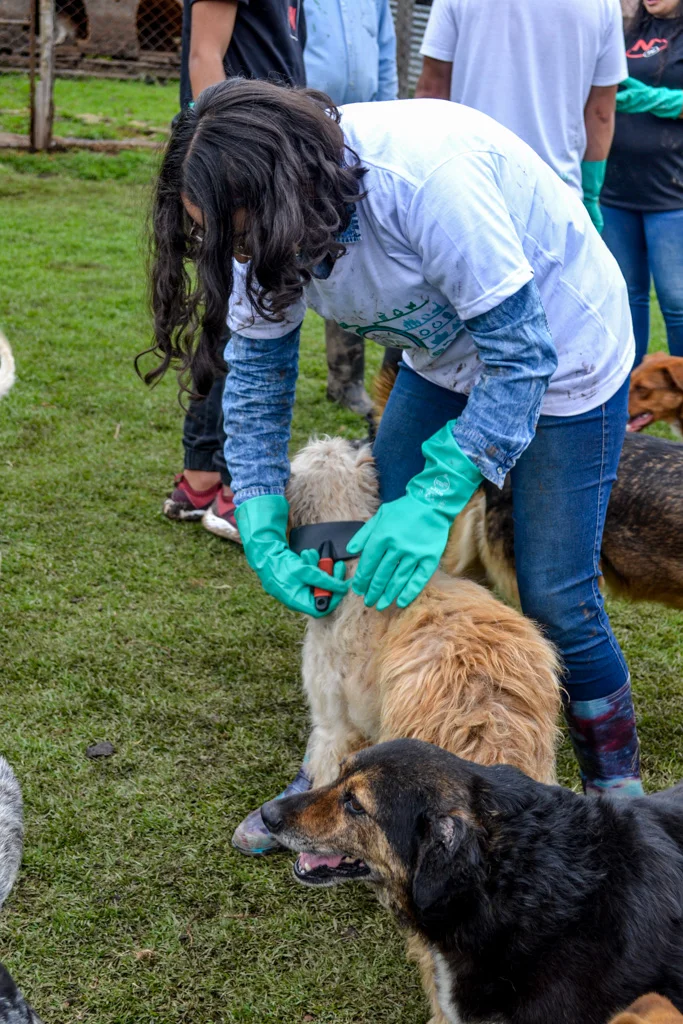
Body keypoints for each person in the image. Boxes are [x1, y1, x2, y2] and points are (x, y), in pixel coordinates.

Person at [148, 81, 642, 855]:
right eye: (215, 238)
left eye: (236, 233)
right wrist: (260, 515)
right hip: (442, 357)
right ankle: (343, 773)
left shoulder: (428, 186)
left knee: (554, 590)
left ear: (284, 192)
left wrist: (438, 494)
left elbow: (520, 359)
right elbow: (258, 380)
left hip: (564, 351)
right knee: (373, 570)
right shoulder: (260, 227)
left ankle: (616, 805)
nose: (232, 255)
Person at [163, 0, 306, 541]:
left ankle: (201, 476)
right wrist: (230, 175)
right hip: (243, 169)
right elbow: (205, 55)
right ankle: (230, 484)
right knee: (244, 314)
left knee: (231, 312)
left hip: (269, 158)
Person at [415, 0, 627, 232]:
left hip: (467, 188)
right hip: (556, 195)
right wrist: (590, 195)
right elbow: (601, 113)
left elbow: (432, 92)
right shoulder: (603, 4)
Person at [304, 0, 399, 429]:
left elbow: (384, 52)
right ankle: (325, 375)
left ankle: (350, 379)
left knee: (355, 253)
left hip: (362, 138)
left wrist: (388, 117)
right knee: (307, 250)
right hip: (304, 129)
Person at [601, 0, 683, 367]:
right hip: (616, 188)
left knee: (677, 302)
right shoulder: (626, 32)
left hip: (672, 193)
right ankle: (629, 391)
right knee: (624, 295)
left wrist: (659, 100)